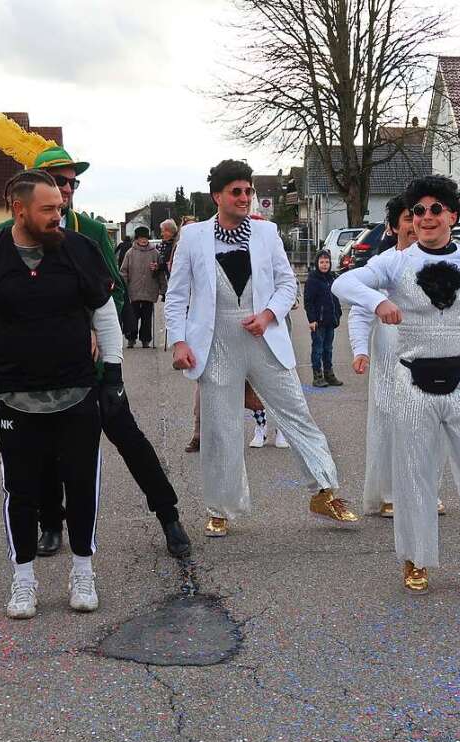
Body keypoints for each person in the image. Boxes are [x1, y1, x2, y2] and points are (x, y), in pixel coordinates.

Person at [0, 110, 190, 561]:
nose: (68, 190)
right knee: (49, 454)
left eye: (73, 182)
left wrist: (97, 328)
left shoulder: (91, 231)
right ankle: (51, 525)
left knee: (129, 437)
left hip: (91, 364)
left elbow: (110, 292)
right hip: (37, 371)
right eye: (60, 181)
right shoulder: (3, 237)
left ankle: (168, 516)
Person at [333, 175, 460, 593]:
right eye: (418, 211)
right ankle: (416, 558)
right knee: (414, 473)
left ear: (452, 216)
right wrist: (378, 300)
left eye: (435, 210)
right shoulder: (396, 262)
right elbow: (343, 282)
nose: (425, 218)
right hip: (410, 383)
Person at [0, 169, 124, 619]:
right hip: (16, 398)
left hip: (77, 393)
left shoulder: (79, 251)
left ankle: (83, 570)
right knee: (21, 492)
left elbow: (104, 312)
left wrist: (114, 374)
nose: (57, 216)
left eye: (60, 209)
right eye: (48, 209)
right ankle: (23, 579)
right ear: (18, 209)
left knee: (82, 486)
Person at [165, 159, 355, 537]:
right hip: (216, 340)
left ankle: (324, 490)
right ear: (217, 195)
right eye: (236, 191)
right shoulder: (194, 237)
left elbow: (287, 285)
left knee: (296, 412)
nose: (244, 197)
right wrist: (179, 341)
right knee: (220, 427)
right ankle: (220, 507)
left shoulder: (266, 235)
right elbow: (176, 295)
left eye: (248, 191)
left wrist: (268, 315)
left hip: (264, 337)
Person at [346, 194, 446, 519]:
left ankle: (428, 490)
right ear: (393, 226)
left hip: (431, 352)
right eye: (408, 217)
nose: (416, 223)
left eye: (423, 214)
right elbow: (360, 313)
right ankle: (389, 492)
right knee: (390, 420)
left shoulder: (442, 262)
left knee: (430, 423)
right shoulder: (382, 265)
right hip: (390, 352)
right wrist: (360, 349)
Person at [303, 250, 343, 387]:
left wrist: (338, 314)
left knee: (328, 348)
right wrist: (312, 319)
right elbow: (308, 302)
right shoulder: (313, 280)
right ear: (317, 263)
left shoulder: (332, 278)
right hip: (318, 322)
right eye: (322, 262)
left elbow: (336, 298)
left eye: (327, 262)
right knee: (318, 349)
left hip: (330, 321)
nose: (324, 265)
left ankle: (329, 374)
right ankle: (317, 376)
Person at [120, 226, 162, 349]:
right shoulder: (130, 253)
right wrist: (123, 285)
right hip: (134, 290)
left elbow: (160, 272)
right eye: (141, 238)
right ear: (137, 239)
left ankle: (145, 340)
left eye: (145, 238)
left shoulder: (155, 253)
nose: (143, 240)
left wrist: (163, 288)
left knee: (147, 317)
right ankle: (131, 338)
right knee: (133, 316)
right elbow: (123, 271)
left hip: (149, 290)